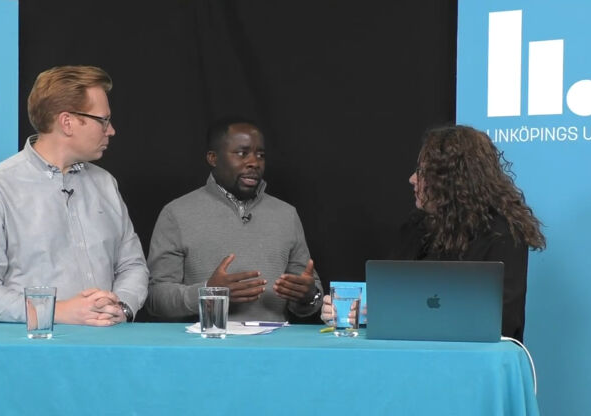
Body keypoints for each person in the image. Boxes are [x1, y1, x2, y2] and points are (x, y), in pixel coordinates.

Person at [0, 65, 148, 326]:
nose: (111, 130)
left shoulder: (105, 184)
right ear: (67, 122)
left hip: (106, 346)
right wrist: (57, 311)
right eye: (103, 120)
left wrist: (122, 307)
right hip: (30, 353)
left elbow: (132, 265)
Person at [321, 125, 545, 342]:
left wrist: (402, 316)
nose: (412, 179)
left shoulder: (501, 234)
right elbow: (391, 294)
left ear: (452, 179)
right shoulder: (416, 226)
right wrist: (352, 312)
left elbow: (501, 323)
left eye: (422, 172)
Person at [145, 118, 322, 322]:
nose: (254, 162)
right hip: (206, 346)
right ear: (213, 158)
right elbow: (155, 298)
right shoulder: (176, 213)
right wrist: (208, 293)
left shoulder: (287, 214)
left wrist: (308, 296)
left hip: (273, 347)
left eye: (260, 155)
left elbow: (311, 297)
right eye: (242, 153)